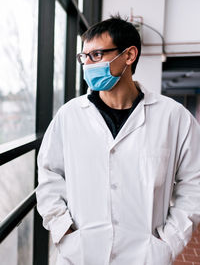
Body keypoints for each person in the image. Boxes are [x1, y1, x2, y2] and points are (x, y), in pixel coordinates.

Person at [36, 15, 200, 265]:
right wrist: (62, 228)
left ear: (129, 55)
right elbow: (49, 175)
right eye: (84, 57)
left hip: (145, 255)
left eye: (97, 55)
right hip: (80, 254)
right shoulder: (69, 116)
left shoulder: (173, 117)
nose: (88, 65)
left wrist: (170, 241)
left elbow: (194, 183)